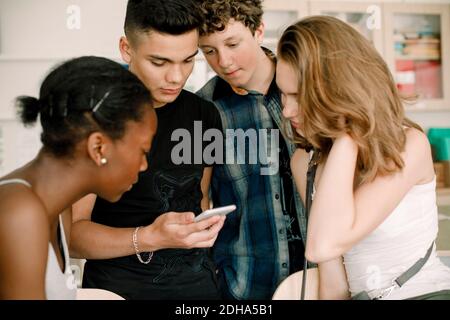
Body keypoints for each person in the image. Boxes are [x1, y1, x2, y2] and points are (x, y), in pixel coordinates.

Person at [276, 15, 450, 300]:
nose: (287, 111)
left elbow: (322, 245)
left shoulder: (408, 145)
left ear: (336, 92)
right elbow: (334, 281)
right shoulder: (305, 162)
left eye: (298, 95)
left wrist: (348, 131)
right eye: (283, 95)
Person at [70, 0, 225, 300]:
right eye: (160, 62)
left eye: (188, 60)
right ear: (126, 49)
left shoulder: (205, 115)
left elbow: (200, 199)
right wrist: (150, 237)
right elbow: (74, 235)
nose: (177, 78)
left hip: (199, 291)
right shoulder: (92, 118)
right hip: (117, 292)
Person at [0, 56, 157, 299]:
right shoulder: (18, 212)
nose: (144, 165)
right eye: (143, 151)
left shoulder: (59, 209)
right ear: (99, 148)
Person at [196, 0, 306, 300]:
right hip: (242, 287)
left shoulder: (309, 88)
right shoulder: (203, 112)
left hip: (321, 282)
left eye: (233, 43)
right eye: (209, 51)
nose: (224, 61)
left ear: (258, 31)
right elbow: (200, 202)